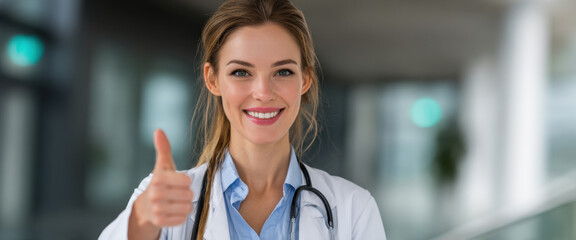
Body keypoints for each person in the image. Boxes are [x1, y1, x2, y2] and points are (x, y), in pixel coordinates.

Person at [98, 0, 386, 239]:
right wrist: (143, 219)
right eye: (241, 72)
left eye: (283, 72)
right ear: (213, 80)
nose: (263, 93)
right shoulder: (164, 201)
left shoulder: (353, 210)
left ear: (305, 80)